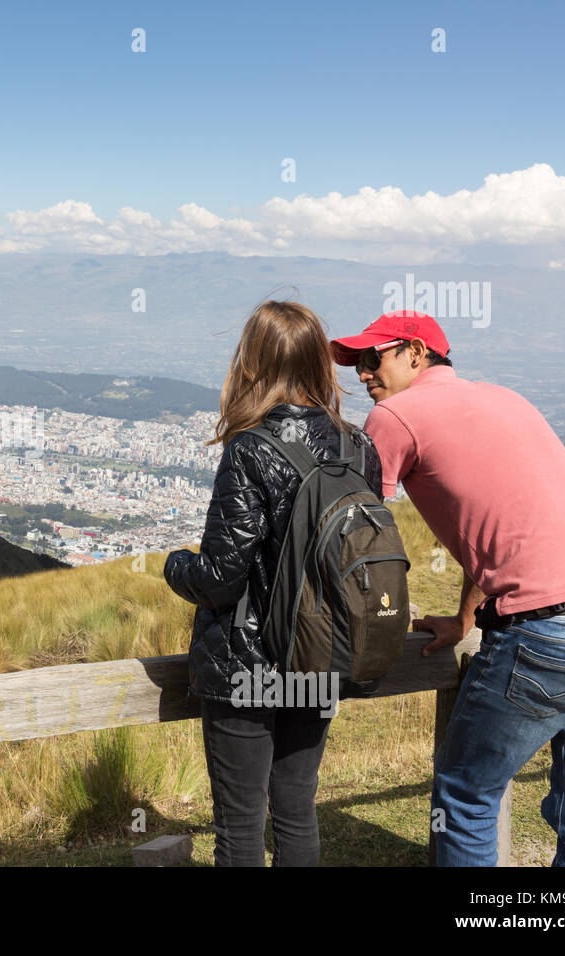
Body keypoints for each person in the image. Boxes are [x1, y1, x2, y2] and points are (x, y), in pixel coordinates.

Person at [331, 309, 565, 866]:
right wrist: (465, 618)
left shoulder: (394, 416)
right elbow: (504, 520)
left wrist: (356, 625)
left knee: (465, 797)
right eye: (354, 361)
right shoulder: (506, 398)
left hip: (550, 629)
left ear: (416, 353)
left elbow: (358, 525)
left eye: (372, 357)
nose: (361, 373)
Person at [163, 299, 382, 866]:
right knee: (296, 809)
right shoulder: (358, 446)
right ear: (319, 361)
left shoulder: (250, 448)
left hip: (248, 665)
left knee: (239, 827)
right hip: (319, 654)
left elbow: (220, 580)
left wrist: (174, 566)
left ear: (250, 363)